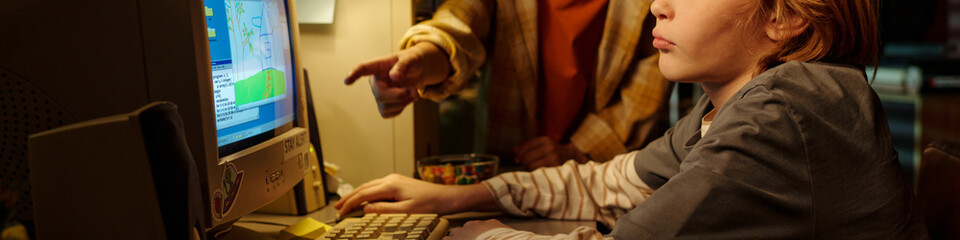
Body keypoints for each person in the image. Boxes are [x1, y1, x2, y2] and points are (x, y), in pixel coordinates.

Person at [337, 0, 930, 238]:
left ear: (784, 18)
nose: (658, 4)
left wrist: (470, 235)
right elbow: (611, 181)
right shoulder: (730, 104)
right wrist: (458, 200)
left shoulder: (781, 113)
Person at [344, 0, 672, 170]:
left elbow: (647, 90)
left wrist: (576, 150)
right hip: (508, 163)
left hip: (608, 168)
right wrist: (419, 59)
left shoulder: (651, 6)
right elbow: (460, 23)